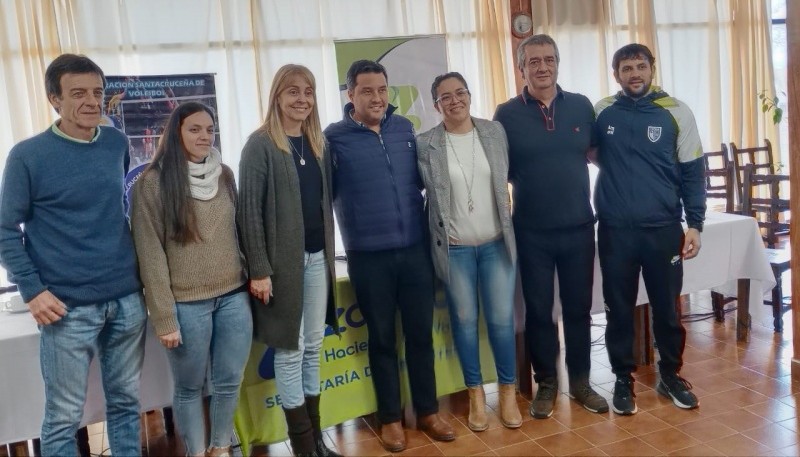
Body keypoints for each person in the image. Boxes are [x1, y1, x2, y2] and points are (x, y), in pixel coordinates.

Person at [0, 54, 145, 457]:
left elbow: (119, 208)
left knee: (126, 405)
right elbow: (4, 230)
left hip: (126, 300)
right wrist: (32, 290)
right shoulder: (27, 156)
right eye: (78, 93)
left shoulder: (116, 142)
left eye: (97, 93)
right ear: (54, 100)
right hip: (66, 307)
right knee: (63, 417)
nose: (91, 102)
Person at [324, 59, 454, 453]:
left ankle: (428, 412)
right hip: (368, 257)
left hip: (415, 251)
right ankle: (391, 420)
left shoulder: (405, 129)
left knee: (419, 337)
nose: (377, 98)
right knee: (381, 341)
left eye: (382, 90)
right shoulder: (334, 138)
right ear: (350, 95)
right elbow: (322, 197)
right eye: (367, 91)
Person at [494, 34, 608, 419]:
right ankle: (546, 383)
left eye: (549, 59)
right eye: (534, 61)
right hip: (531, 231)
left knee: (578, 311)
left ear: (558, 63)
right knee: (539, 313)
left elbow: (599, 157)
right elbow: (497, 172)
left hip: (578, 227)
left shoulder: (580, 106)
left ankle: (580, 382)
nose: (542, 67)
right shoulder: (506, 114)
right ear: (521, 68)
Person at [130, 101, 252, 457]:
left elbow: (239, 231)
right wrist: (164, 317)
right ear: (175, 133)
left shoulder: (224, 174)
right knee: (189, 388)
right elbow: (149, 255)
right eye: (194, 129)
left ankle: (220, 447)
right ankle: (197, 452)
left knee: (230, 381)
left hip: (233, 296)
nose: (204, 136)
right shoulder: (151, 184)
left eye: (209, 129)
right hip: (186, 305)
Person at [594, 43, 705, 415]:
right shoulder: (602, 110)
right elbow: (589, 153)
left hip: (663, 230)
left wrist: (696, 224)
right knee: (618, 310)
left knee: (668, 310)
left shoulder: (677, 112)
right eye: (626, 68)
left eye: (640, 66)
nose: (634, 74)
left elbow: (692, 172)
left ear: (651, 69)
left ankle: (670, 375)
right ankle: (623, 379)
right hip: (615, 232)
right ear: (616, 75)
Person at [237, 64, 340, 457]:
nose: (302, 99)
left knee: (313, 346)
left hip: (318, 260)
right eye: (293, 91)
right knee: (290, 349)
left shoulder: (317, 143)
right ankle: (303, 448)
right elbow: (248, 213)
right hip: (281, 267)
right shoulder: (260, 145)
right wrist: (260, 270)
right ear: (277, 96)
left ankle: (316, 442)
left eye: (308, 92)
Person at [416, 72, 522, 431]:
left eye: (460, 92)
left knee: (502, 322)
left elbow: (507, 178)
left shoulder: (494, 132)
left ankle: (507, 393)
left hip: (496, 245)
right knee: (463, 323)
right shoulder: (426, 143)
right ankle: (475, 394)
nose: (455, 100)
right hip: (456, 250)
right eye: (446, 96)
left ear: (470, 95)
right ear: (436, 105)